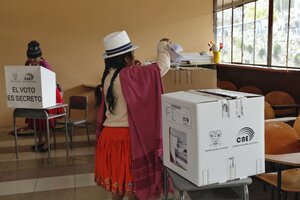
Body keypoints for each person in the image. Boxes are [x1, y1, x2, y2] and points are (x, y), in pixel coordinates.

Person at [94, 31, 170, 200]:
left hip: (108, 139)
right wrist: (163, 47)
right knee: (135, 194)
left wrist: (133, 67)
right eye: (132, 55)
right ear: (125, 58)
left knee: (118, 192)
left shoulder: (108, 76)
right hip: (126, 141)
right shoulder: (129, 75)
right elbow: (162, 66)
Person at [25, 40, 64, 152]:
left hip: (49, 96)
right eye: (30, 58)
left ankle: (47, 143)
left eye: (34, 58)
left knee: (47, 122)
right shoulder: (28, 64)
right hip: (35, 96)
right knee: (36, 121)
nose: (32, 60)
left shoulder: (45, 65)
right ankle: (40, 141)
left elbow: (50, 82)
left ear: (40, 56)